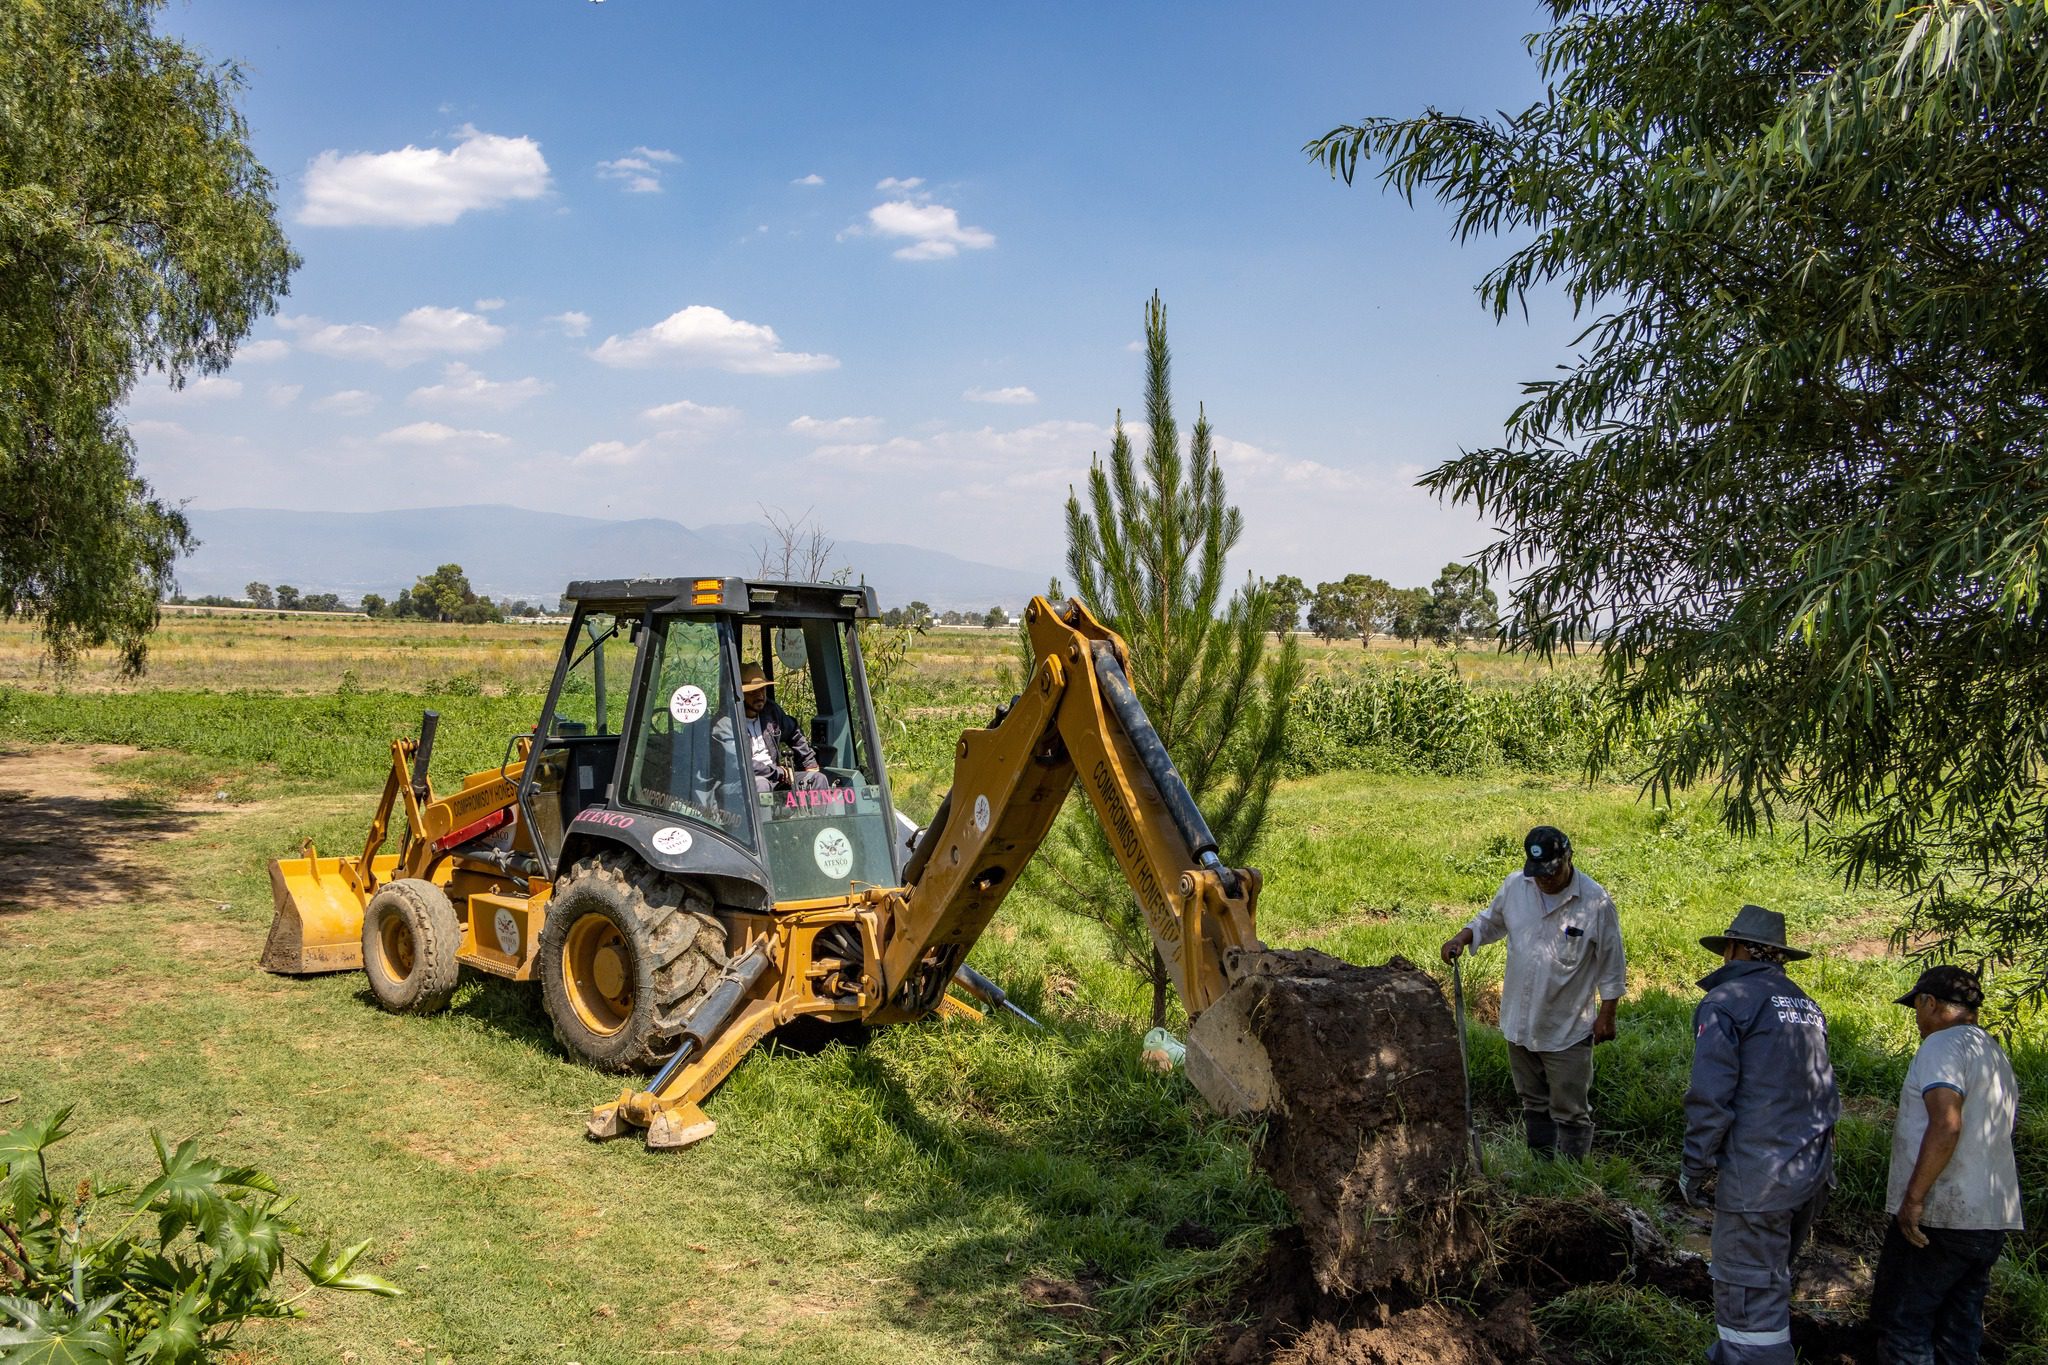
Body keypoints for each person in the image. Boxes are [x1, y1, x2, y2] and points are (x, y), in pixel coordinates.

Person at [1680, 904, 1839, 1365]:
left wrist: (1695, 1167)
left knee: (1748, 1300)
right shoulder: (1807, 1006)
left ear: (1734, 950)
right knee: (1768, 1282)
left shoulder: (1727, 1003)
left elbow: (1710, 1096)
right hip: (1810, 1174)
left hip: (1759, 1180)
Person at [1440, 825, 1625, 1160]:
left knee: (1570, 1108)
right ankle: (1542, 1168)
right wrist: (1461, 938)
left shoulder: (1595, 903)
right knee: (1533, 1100)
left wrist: (1607, 1014)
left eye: (1551, 873)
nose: (1545, 881)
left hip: (1566, 1027)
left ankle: (1571, 1175)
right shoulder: (1516, 886)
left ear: (1569, 857)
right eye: (1538, 874)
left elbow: (1612, 962)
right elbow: (1489, 922)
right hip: (1519, 1021)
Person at [1869, 965, 2022, 1365]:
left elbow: (1947, 1124)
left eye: (1917, 1008)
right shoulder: (1993, 1051)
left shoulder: (1941, 1046)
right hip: (1989, 1217)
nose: (1918, 1020)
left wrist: (1914, 1200)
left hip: (1942, 1217)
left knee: (1904, 1325)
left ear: (1930, 1003)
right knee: (1959, 1328)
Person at [736, 662, 825, 794]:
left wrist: (809, 763)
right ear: (740, 694)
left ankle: (822, 815)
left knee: (818, 779)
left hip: (776, 777)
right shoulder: (727, 724)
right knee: (761, 785)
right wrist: (778, 771)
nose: (760, 696)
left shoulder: (771, 712)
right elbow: (740, 764)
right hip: (745, 782)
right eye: (753, 692)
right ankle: (763, 816)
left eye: (762, 690)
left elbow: (794, 732)